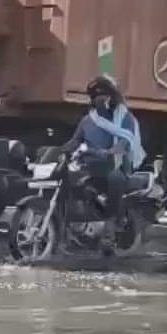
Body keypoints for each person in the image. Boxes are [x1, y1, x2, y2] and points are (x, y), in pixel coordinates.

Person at [62, 75, 146, 243]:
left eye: (104, 95)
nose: (100, 99)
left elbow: (125, 142)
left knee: (115, 178)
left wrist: (110, 152)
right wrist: (62, 150)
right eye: (95, 96)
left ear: (112, 98)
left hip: (117, 166)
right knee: (68, 177)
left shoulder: (124, 118)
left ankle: (112, 222)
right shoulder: (88, 120)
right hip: (91, 166)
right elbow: (75, 141)